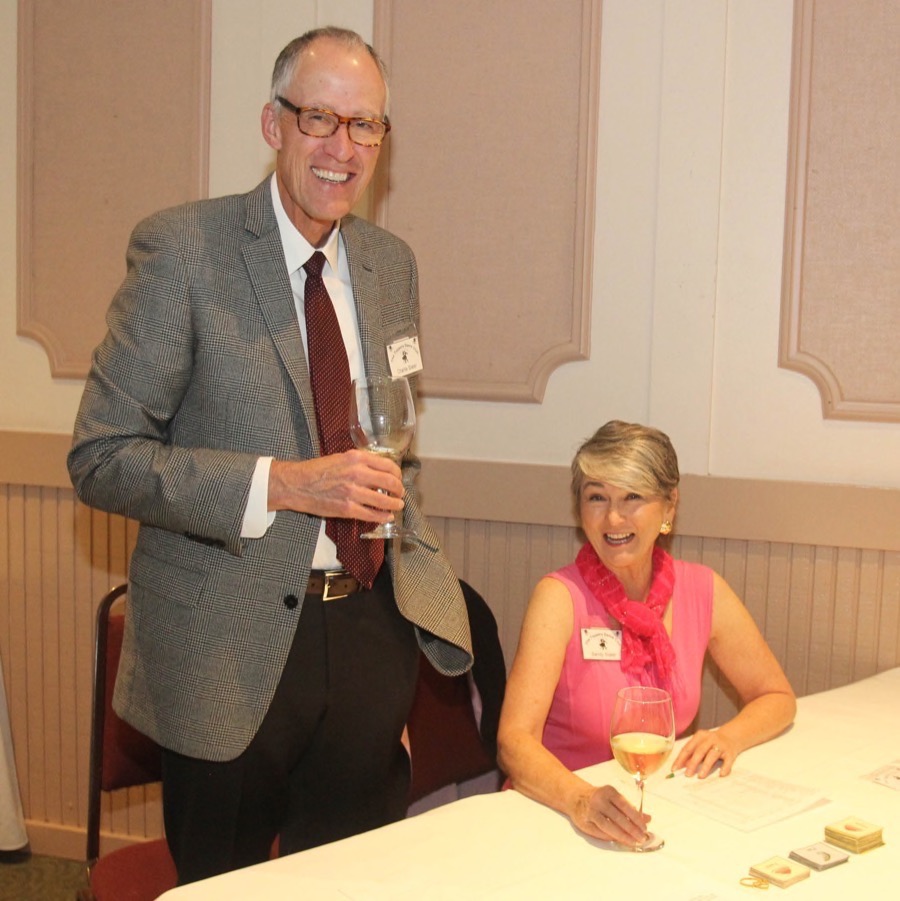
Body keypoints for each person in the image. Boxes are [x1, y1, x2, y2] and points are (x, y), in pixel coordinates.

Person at [67, 27, 472, 884]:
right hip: (229, 643)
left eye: (366, 126)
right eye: (320, 117)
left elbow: (393, 441)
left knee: (353, 881)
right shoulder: (184, 250)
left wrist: (402, 606)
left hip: (367, 626)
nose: (343, 147)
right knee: (230, 885)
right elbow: (101, 456)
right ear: (272, 124)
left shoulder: (391, 265)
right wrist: (285, 484)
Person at [496, 420, 795, 847]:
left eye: (632, 497)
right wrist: (580, 800)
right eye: (596, 497)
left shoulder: (703, 589)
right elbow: (513, 742)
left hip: (663, 808)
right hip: (559, 818)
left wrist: (728, 737)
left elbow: (777, 697)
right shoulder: (558, 598)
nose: (613, 518)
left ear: (669, 506)